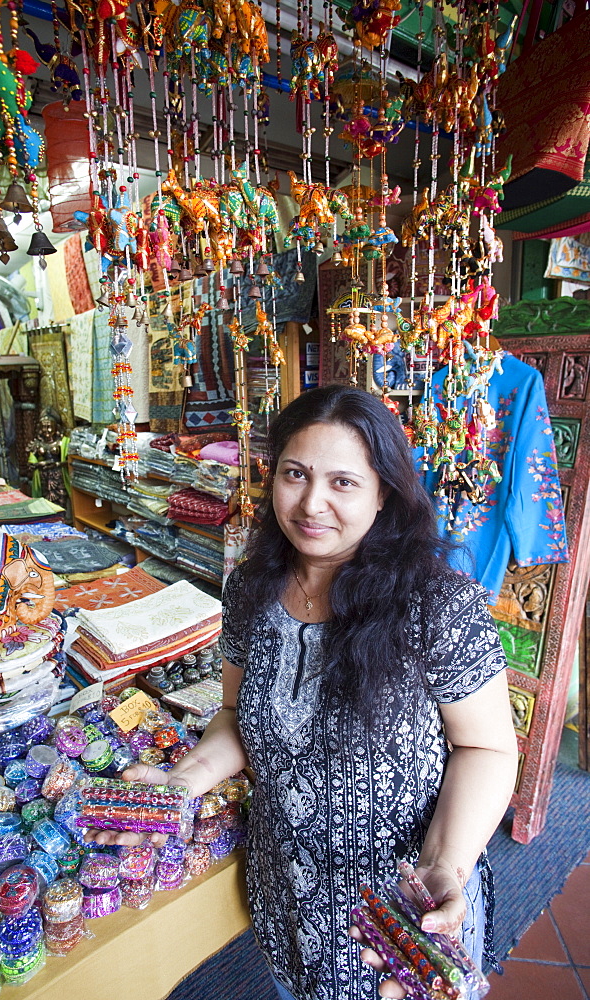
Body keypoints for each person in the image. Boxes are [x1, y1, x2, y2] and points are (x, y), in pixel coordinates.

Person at [87, 384, 518, 1000]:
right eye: (295, 474)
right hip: (287, 896)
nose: (312, 503)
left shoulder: (437, 605)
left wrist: (445, 863)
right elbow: (237, 715)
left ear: (384, 494)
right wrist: (187, 780)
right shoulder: (251, 590)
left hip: (400, 921)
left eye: (343, 482)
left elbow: (488, 750)